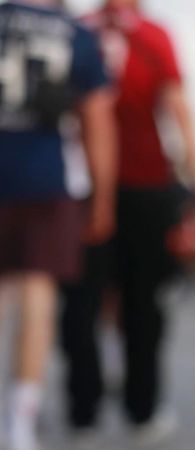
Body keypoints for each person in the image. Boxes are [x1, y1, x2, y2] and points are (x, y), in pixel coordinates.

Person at [61, 1, 195, 446]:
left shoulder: (77, 30)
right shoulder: (152, 35)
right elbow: (178, 110)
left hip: (81, 184)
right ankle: (142, 408)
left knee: (80, 302)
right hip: (145, 183)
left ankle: (82, 411)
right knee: (143, 304)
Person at [0, 1, 115, 448]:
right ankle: (21, 419)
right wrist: (102, 197)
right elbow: (97, 121)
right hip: (46, 178)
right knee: (37, 292)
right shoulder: (76, 34)